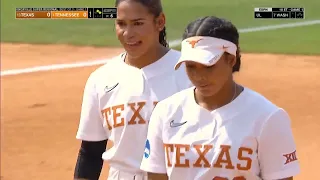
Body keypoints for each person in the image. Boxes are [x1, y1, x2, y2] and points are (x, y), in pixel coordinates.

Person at [140, 16, 300, 180]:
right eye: (190, 66)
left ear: (231, 59)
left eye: (209, 66)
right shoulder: (166, 112)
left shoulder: (268, 117)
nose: (199, 76)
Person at [73, 0, 192, 179]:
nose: (128, 33)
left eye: (138, 23)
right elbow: (90, 152)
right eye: (121, 24)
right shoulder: (101, 79)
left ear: (159, 22)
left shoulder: (189, 72)